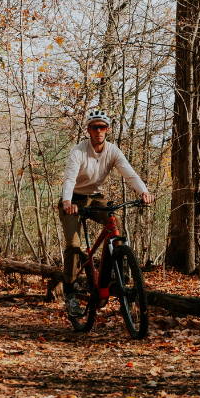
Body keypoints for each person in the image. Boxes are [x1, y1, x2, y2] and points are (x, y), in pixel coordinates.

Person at [59, 109, 153, 310]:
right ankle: (70, 291)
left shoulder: (113, 151)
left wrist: (143, 192)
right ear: (88, 130)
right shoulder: (79, 151)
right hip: (74, 199)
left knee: (114, 226)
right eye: (95, 127)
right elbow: (70, 178)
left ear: (107, 129)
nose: (99, 131)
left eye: (102, 127)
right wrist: (67, 201)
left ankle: (113, 273)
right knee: (73, 246)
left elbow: (129, 174)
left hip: (96, 198)